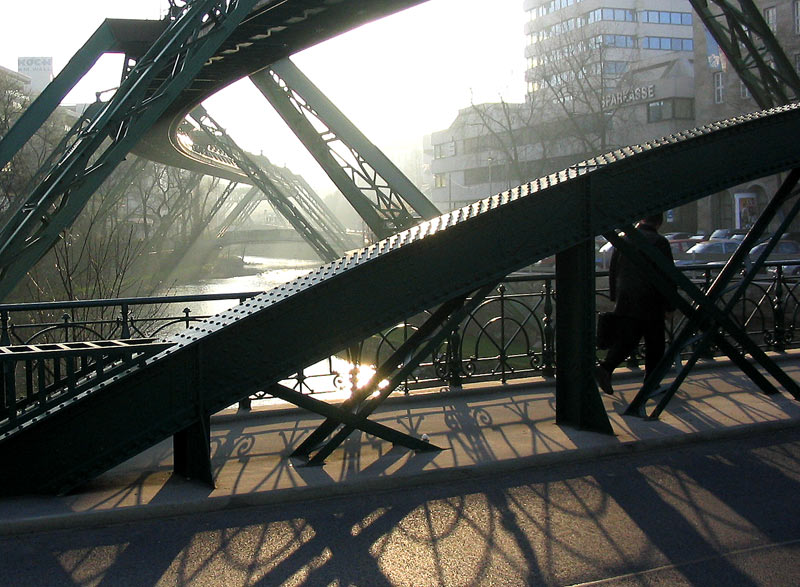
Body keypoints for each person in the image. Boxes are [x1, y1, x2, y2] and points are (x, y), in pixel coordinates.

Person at [595, 213, 675, 395]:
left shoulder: (625, 239)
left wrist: (615, 296)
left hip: (626, 299)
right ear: (659, 222)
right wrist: (670, 305)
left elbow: (613, 270)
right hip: (650, 301)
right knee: (655, 344)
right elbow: (667, 274)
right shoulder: (659, 242)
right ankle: (651, 383)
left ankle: (606, 368)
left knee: (628, 339)